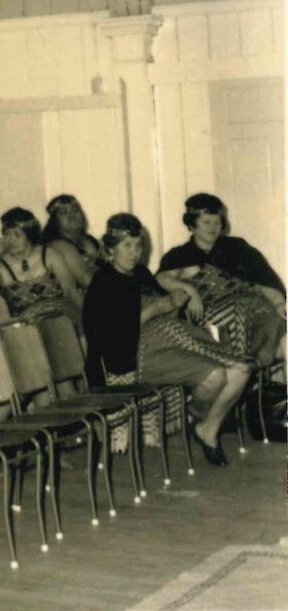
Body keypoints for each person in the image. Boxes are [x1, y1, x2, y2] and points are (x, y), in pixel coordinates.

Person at [83, 213, 252, 467]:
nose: (134, 253)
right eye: (126, 246)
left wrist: (174, 302)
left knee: (241, 371)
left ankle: (207, 426)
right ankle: (199, 419)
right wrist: (153, 310)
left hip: (163, 343)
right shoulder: (103, 282)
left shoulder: (140, 273)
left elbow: (165, 310)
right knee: (216, 376)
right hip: (129, 359)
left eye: (138, 245)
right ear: (110, 249)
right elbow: (108, 337)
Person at [156, 193, 285, 369]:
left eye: (217, 222)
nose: (213, 227)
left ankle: (255, 361)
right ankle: (246, 363)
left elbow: (264, 280)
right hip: (215, 328)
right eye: (206, 222)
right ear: (191, 225)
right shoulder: (179, 255)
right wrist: (189, 290)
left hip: (257, 313)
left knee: (283, 332)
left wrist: (278, 303)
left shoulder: (237, 247)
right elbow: (162, 278)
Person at [0, 207, 83, 326]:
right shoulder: (2, 265)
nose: (11, 240)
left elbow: (71, 290)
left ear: (29, 235)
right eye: (7, 235)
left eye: (17, 235)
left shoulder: (48, 255)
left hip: (63, 319)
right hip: (29, 329)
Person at [41, 194, 104, 289]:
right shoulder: (58, 245)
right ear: (55, 221)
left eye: (75, 210)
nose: (72, 215)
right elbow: (86, 280)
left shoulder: (89, 239)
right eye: (64, 212)